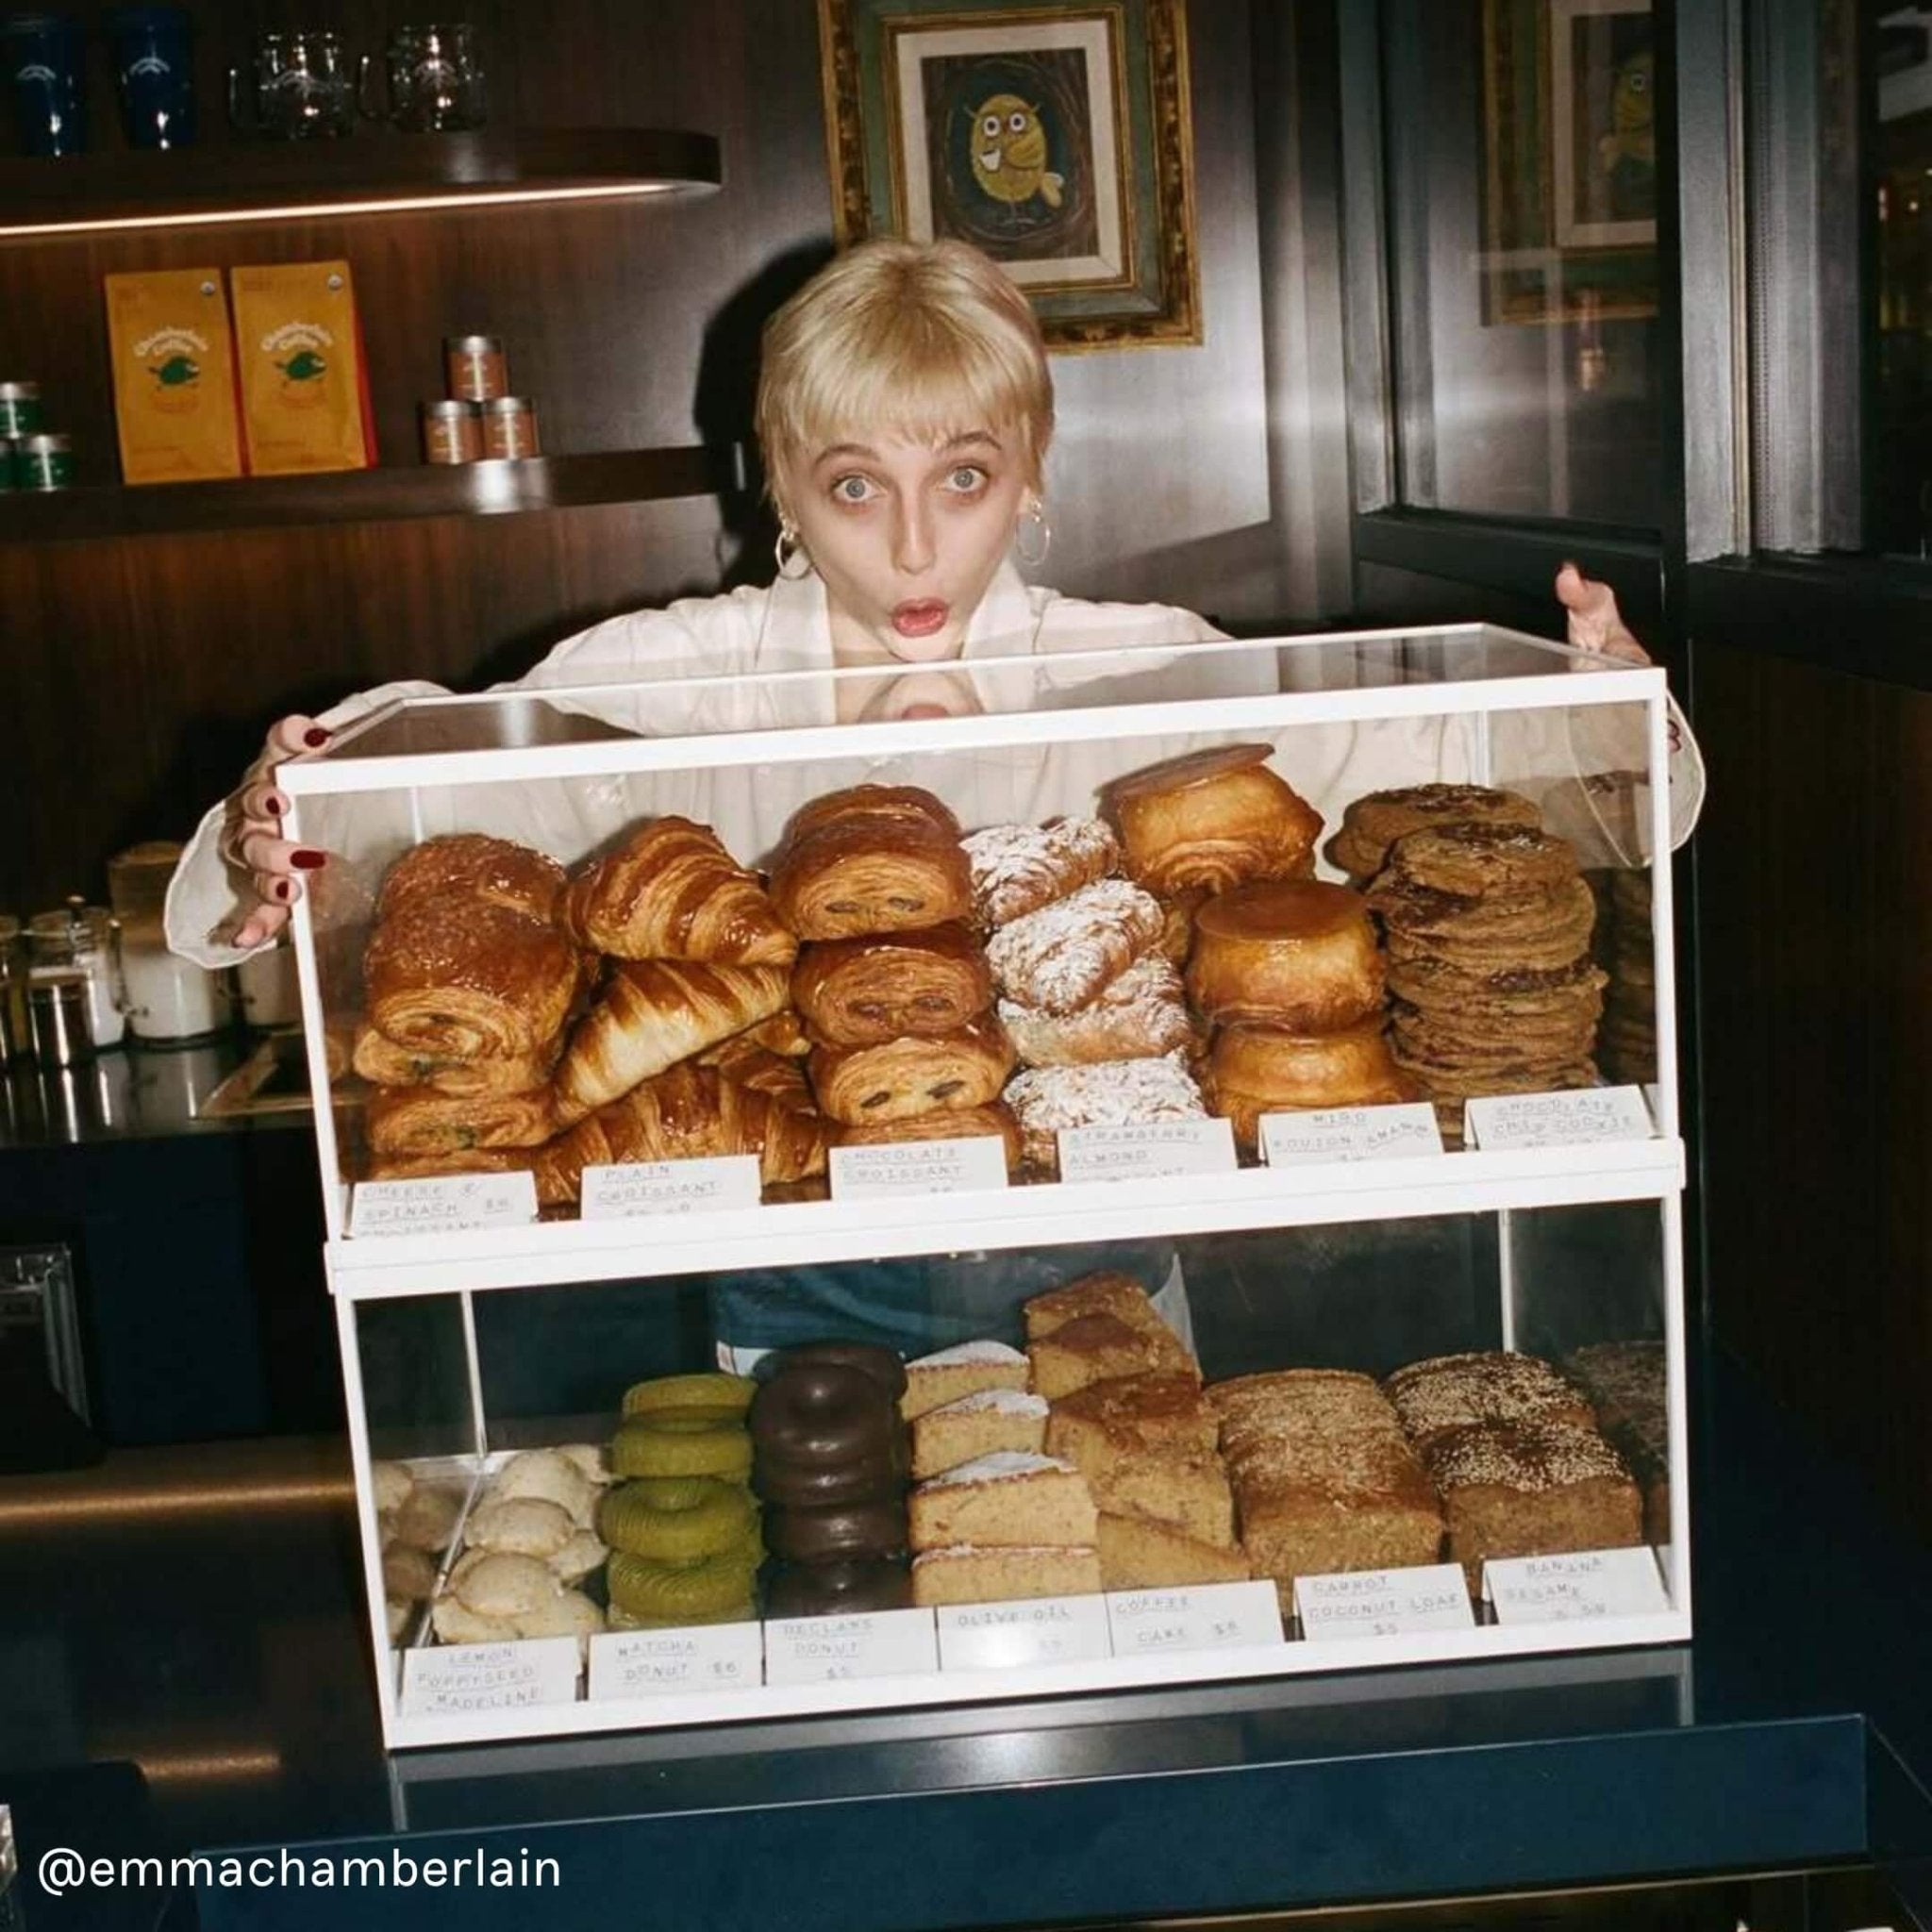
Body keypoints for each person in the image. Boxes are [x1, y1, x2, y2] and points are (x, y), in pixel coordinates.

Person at [164, 237, 1699, 1367]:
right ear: (778, 480)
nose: (912, 549)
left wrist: (1607, 713)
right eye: (853, 487)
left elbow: (1519, 805)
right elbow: (413, 771)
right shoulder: (669, 671)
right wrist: (272, 824)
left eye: (961, 480)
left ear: (1029, 473)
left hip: (1109, 1254)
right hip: (786, 1279)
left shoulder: (1148, 670)